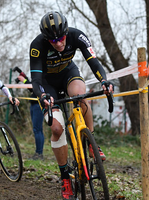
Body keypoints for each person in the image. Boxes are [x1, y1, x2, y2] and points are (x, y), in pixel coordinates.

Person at [30, 11, 114, 199]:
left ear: (67, 32)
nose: (58, 43)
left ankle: (91, 141)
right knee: (57, 129)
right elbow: (35, 79)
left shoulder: (77, 36)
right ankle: (65, 177)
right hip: (47, 83)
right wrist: (42, 95)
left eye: (61, 38)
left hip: (69, 73)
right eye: (53, 41)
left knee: (80, 97)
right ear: (46, 39)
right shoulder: (37, 45)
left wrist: (104, 81)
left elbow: (93, 62)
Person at [16, 74, 44, 160]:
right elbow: (32, 87)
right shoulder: (37, 78)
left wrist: (24, 80)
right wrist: (26, 80)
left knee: (37, 129)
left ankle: (39, 154)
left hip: (38, 105)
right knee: (37, 129)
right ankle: (38, 153)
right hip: (34, 105)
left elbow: (35, 89)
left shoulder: (43, 77)